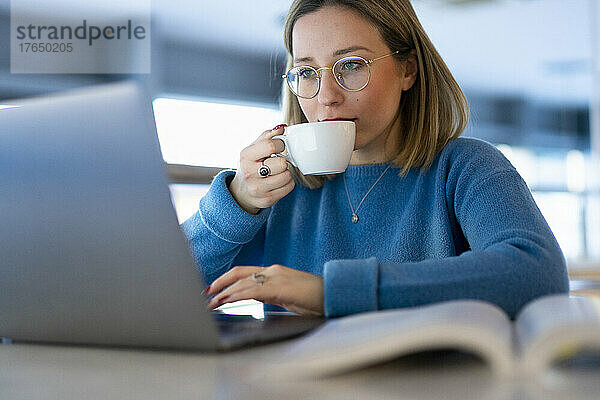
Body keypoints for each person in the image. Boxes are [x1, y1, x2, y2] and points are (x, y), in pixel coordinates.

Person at [182, 0, 569, 318]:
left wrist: (330, 292)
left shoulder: (466, 167)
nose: (325, 96)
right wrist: (238, 202)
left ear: (408, 69)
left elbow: (537, 273)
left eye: (351, 65)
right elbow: (153, 284)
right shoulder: (281, 191)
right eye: (306, 72)